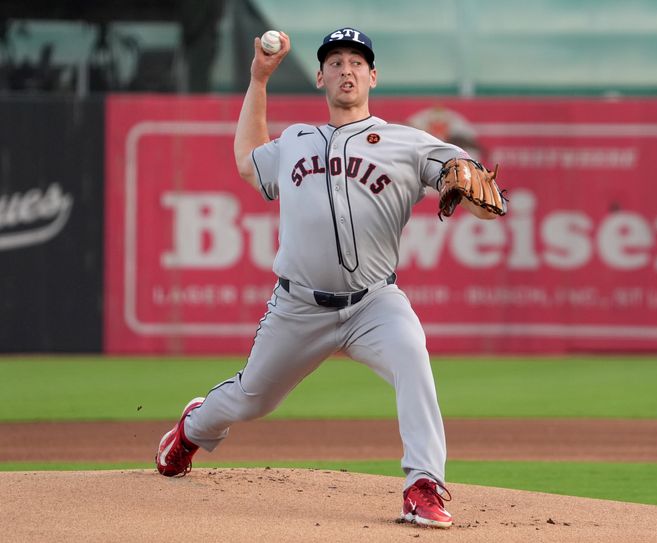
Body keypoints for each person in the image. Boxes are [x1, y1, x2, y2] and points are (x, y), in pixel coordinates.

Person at [155, 26, 499, 529]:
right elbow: (249, 163)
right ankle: (191, 429)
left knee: (412, 356)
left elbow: (478, 189)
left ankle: (422, 484)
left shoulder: (407, 143)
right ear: (320, 77)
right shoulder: (296, 140)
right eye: (335, 62)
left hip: (374, 303)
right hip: (298, 307)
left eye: (356, 62)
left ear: (373, 76)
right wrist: (258, 79)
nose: (346, 69)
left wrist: (465, 176)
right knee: (252, 399)